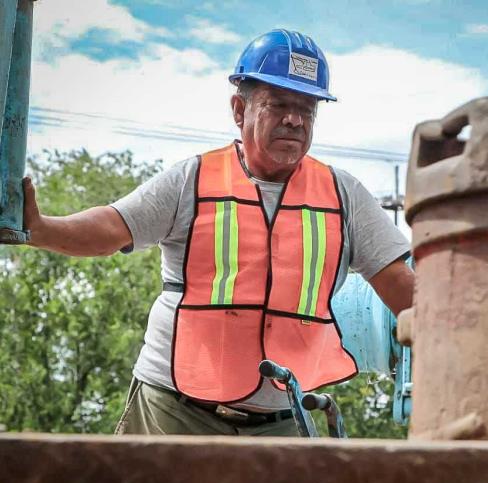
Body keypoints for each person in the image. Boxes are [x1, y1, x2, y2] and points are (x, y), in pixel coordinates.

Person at [22, 29, 414, 437]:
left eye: (307, 109)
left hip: (278, 419)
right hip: (172, 409)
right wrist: (41, 229)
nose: (295, 119)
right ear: (239, 109)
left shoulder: (343, 195)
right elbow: (111, 228)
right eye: (278, 104)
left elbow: (404, 291)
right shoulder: (193, 179)